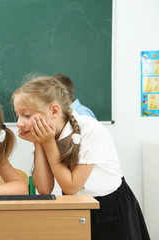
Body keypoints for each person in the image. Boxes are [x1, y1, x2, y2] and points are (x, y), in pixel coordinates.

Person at [12, 76, 150, 240]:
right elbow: (44, 189)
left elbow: (71, 186)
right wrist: (39, 144)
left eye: (26, 115)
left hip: (111, 207)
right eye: (17, 115)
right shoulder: (47, 136)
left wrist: (48, 143)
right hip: (80, 206)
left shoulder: (90, 129)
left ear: (54, 111)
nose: (19, 123)